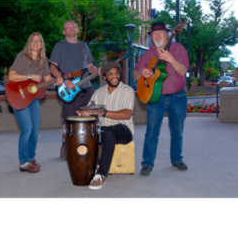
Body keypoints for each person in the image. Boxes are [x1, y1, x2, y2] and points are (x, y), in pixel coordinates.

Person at [134, 21, 189, 176]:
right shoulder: (148, 53)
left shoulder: (178, 49)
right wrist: (142, 72)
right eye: (154, 34)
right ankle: (147, 163)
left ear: (168, 34)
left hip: (177, 96)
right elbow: (136, 72)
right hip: (155, 97)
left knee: (177, 131)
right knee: (152, 131)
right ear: (151, 37)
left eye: (161, 33)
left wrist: (171, 59)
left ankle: (177, 159)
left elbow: (183, 70)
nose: (157, 36)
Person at [76, 62, 135, 190]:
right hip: (103, 129)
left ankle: (101, 174)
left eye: (116, 73)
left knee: (108, 132)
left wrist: (103, 112)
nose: (114, 76)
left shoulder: (128, 91)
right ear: (104, 77)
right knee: (89, 132)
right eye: (110, 74)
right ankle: (89, 167)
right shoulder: (98, 93)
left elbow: (126, 114)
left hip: (124, 130)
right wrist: (83, 113)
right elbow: (90, 108)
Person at [50, 20, 99, 159]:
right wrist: (64, 81)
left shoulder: (84, 46)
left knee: (91, 118)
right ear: (64, 32)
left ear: (77, 29)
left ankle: (89, 147)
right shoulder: (59, 46)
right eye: (67, 27)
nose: (71, 29)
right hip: (69, 89)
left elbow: (90, 67)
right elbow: (52, 67)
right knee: (69, 121)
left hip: (86, 88)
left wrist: (95, 70)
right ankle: (67, 148)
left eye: (73, 27)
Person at [9, 32, 56, 173]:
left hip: (33, 98)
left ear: (42, 44)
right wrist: (30, 76)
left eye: (39, 41)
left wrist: (56, 80)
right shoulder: (22, 57)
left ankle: (30, 157)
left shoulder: (43, 61)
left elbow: (47, 79)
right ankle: (23, 162)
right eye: (33, 41)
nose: (36, 43)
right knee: (27, 129)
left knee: (35, 131)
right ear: (29, 43)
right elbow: (11, 76)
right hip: (17, 96)